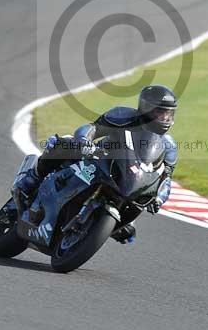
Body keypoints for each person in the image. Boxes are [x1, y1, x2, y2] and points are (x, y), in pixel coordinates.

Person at [13, 84, 179, 243]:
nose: (165, 118)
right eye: (160, 112)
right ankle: (34, 177)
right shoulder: (123, 115)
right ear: (146, 108)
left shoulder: (168, 146)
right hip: (99, 158)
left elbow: (166, 178)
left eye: (168, 114)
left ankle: (97, 226)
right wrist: (84, 141)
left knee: (129, 230)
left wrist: (159, 198)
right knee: (62, 143)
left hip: (127, 180)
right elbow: (93, 128)